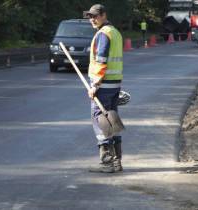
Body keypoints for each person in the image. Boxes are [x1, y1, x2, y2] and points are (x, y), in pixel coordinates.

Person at [85, 4, 124, 173]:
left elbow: (101, 61)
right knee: (111, 119)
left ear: (103, 15)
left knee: (99, 118)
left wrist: (95, 85)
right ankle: (117, 161)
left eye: (95, 16)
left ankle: (107, 161)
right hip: (114, 83)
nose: (92, 19)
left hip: (104, 84)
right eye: (90, 17)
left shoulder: (103, 34)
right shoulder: (114, 32)